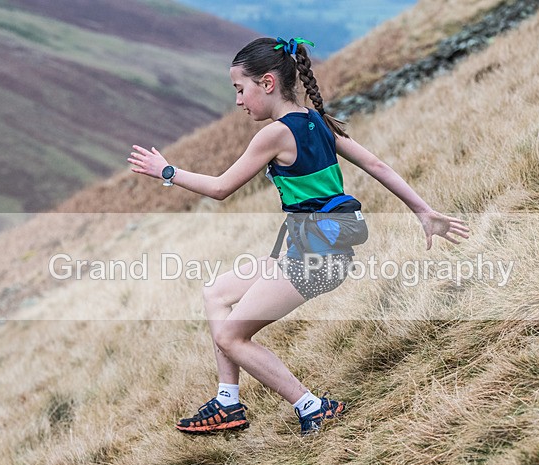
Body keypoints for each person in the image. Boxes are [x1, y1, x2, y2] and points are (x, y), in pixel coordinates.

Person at [127, 37, 470, 437]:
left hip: (313, 256)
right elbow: (375, 164)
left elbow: (221, 188)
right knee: (216, 293)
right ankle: (227, 402)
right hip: (312, 250)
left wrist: (167, 172)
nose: (238, 101)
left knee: (231, 335)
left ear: (267, 83)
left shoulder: (273, 134)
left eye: (241, 89)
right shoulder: (316, 120)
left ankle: (311, 407)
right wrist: (423, 210)